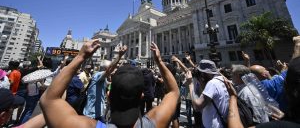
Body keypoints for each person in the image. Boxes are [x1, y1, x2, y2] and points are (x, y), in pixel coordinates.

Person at [40, 40, 179, 128]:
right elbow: (174, 92)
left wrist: (80, 57)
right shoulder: (155, 123)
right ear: (141, 96)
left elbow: (48, 100)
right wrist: (159, 61)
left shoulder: (87, 125)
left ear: (109, 95)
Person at [226, 57, 300, 128]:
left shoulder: (249, 91)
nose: (231, 77)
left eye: (233, 74)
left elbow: (259, 117)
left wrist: (232, 97)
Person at [83, 45, 127, 121]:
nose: (114, 70)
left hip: (98, 114)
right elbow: (110, 69)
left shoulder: (101, 79)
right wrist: (119, 56)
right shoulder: (98, 76)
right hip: (92, 115)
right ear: (105, 68)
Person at [185, 59, 229, 128]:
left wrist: (190, 83)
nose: (200, 76)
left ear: (204, 73)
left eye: (200, 73)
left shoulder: (212, 84)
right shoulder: (223, 80)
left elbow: (197, 106)